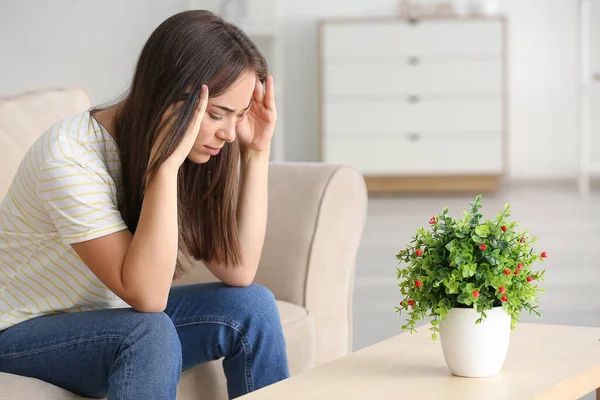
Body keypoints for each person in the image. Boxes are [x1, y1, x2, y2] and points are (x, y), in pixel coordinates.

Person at [0, 10, 289, 400]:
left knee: (252, 305)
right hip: (19, 332)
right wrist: (165, 167)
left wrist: (257, 153)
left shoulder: (198, 149)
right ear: (169, 98)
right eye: (218, 114)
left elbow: (238, 270)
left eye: (237, 116)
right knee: (148, 332)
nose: (228, 133)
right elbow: (149, 298)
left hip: (104, 322)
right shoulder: (69, 158)